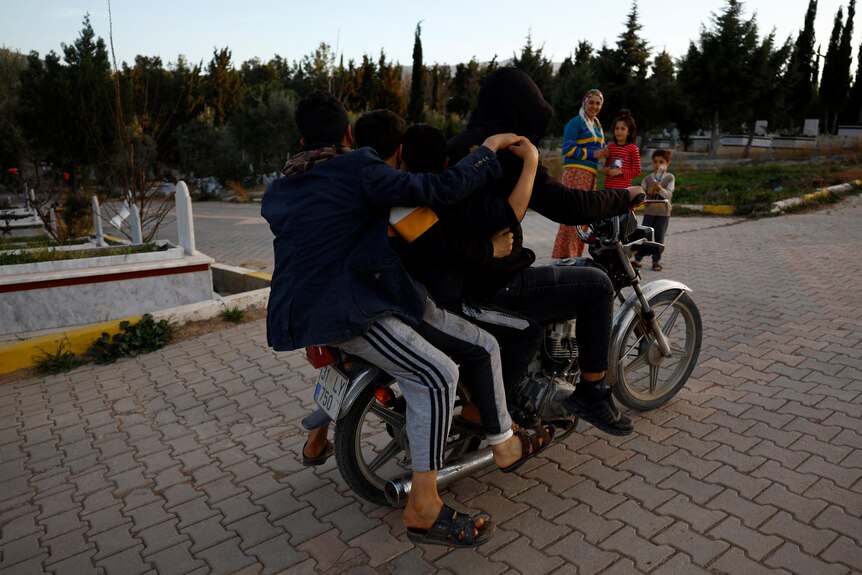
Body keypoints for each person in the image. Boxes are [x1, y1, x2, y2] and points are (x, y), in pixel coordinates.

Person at [264, 96, 547, 547]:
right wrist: (488, 150)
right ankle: (425, 505)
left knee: (448, 348)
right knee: (438, 374)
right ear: (349, 138)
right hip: (355, 308)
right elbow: (438, 194)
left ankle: (322, 435)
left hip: (302, 311)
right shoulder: (360, 170)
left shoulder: (282, 187)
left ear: (301, 140)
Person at [446, 68, 643, 436]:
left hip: (453, 279)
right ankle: (592, 392)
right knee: (598, 284)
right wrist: (623, 196)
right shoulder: (513, 153)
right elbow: (568, 204)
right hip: (497, 282)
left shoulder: (454, 146)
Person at [551, 88, 608, 259]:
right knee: (573, 215)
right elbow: (567, 150)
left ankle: (575, 255)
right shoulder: (576, 123)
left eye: (598, 103)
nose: (595, 106)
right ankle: (567, 256)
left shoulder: (596, 125)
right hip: (576, 173)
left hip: (590, 174)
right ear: (584, 102)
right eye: (591, 102)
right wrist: (592, 154)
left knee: (584, 217)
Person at [633, 148, 675, 272]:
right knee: (644, 235)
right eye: (655, 162)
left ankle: (656, 261)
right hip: (650, 212)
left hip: (663, 213)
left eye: (661, 162)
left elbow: (669, 194)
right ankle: (637, 259)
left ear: (667, 163)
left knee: (659, 237)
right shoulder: (647, 178)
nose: (658, 165)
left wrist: (660, 189)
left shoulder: (670, 178)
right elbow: (642, 192)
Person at [603, 109, 642, 189]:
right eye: (616, 128)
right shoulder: (610, 147)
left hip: (623, 190)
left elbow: (637, 171)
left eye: (623, 129)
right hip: (608, 188)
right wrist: (606, 170)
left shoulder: (633, 149)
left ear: (629, 132)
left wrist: (620, 171)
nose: (619, 131)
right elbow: (605, 168)